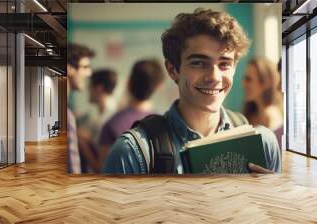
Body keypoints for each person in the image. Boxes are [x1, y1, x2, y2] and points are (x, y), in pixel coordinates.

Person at [103, 8, 281, 174]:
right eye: (199, 63)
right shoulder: (133, 153)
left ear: (234, 68)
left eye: (224, 63)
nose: (214, 77)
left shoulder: (264, 144)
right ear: (173, 70)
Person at [98, 59, 165, 167]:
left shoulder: (111, 125)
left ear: (128, 83)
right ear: (159, 86)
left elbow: (103, 169)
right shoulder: (164, 125)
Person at [242, 57, 283, 147]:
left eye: (248, 79)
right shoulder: (250, 114)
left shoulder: (271, 117)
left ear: (266, 83)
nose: (243, 83)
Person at [67, 43, 94, 174]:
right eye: (85, 67)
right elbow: (73, 166)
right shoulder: (67, 115)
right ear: (70, 68)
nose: (89, 73)